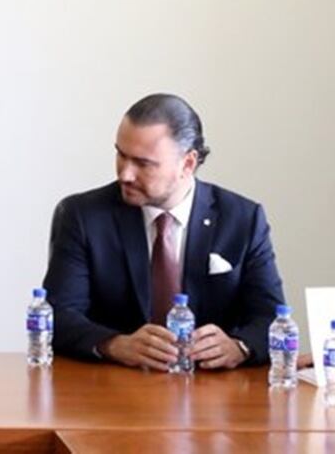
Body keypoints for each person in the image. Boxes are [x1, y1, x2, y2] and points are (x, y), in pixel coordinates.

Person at [43, 93, 285, 371]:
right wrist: (114, 344)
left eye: (143, 163)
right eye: (121, 155)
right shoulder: (84, 216)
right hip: (113, 390)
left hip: (213, 395)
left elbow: (271, 317)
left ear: (188, 164)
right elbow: (57, 316)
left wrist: (239, 346)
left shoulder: (242, 218)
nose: (125, 174)